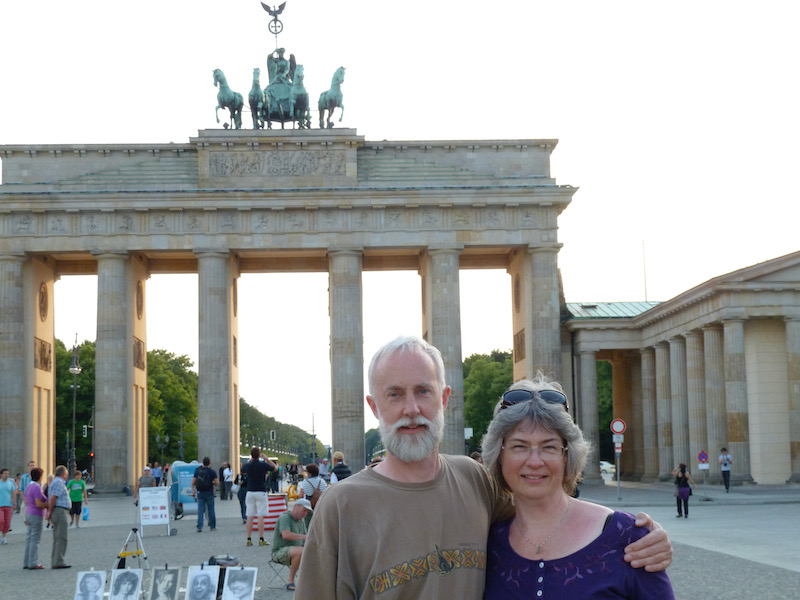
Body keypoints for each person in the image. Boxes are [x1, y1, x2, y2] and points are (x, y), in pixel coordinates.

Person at [295, 336, 672, 599]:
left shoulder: (473, 479)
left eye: (423, 391)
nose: (411, 410)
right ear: (375, 407)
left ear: (444, 399)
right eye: (394, 394)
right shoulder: (341, 505)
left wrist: (643, 534)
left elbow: (541, 509)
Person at [482, 378, 675, 598]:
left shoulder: (629, 538)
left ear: (567, 456)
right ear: (499, 455)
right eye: (519, 446)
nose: (534, 461)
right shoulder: (487, 543)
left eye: (549, 447)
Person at [272, 498, 312, 591]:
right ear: (296, 507)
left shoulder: (301, 521)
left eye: (307, 512)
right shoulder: (285, 518)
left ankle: (313, 581)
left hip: (296, 550)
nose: (305, 513)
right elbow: (285, 535)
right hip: (279, 551)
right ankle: (290, 581)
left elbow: (305, 541)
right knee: (300, 551)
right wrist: (305, 537)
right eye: (304, 510)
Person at [241, 446, 276, 547]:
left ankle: (248, 539)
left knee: (249, 516)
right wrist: (266, 459)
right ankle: (261, 538)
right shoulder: (263, 465)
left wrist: (250, 460)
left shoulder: (248, 465)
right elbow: (275, 468)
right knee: (260, 516)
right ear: (259, 454)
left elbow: (241, 470)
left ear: (251, 455)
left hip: (250, 491)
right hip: (261, 491)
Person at [23, 467, 48, 569]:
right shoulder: (37, 487)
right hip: (36, 514)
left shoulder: (29, 486)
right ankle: (33, 562)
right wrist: (48, 505)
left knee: (29, 539)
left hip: (28, 512)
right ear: (40, 476)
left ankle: (26, 561)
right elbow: (38, 503)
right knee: (35, 539)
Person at [47, 465, 72, 568]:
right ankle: (59, 561)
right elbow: (53, 498)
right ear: (63, 474)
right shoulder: (59, 482)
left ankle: (55, 560)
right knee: (61, 537)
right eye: (66, 474)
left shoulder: (55, 482)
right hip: (60, 511)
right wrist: (50, 511)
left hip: (58, 510)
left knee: (57, 537)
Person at [191, 457, 219, 532]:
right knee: (211, 510)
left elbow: (193, 481)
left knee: (200, 510)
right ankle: (212, 526)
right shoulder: (212, 472)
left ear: (202, 463)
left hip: (200, 492)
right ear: (209, 463)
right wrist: (211, 483)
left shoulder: (198, 471)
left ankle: (199, 526)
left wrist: (193, 490)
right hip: (209, 492)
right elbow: (217, 482)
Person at [0, 468, 17, 544]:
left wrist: (14, 503)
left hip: (8, 505)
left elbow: (13, 494)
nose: (7, 475)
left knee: (7, 522)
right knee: (1, 520)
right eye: (5, 473)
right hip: (0, 505)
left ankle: (4, 538)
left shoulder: (10, 483)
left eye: (8, 474)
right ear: (1, 474)